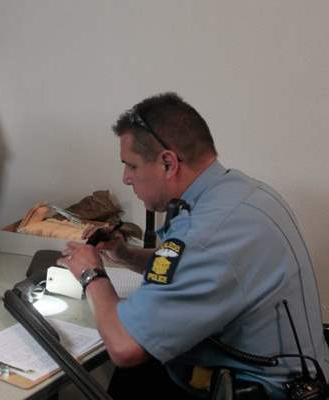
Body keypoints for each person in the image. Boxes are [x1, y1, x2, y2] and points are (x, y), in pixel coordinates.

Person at [58, 92, 329, 398]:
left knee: (127, 367)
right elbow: (189, 268)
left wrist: (91, 274)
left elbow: (124, 346)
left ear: (168, 163)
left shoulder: (207, 233)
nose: (126, 179)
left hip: (260, 390)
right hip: (291, 374)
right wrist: (125, 254)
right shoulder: (242, 192)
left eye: (131, 166)